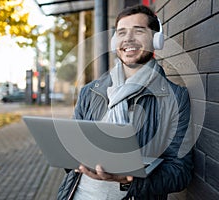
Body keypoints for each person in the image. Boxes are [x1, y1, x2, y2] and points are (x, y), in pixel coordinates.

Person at [57, 4, 193, 200]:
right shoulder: (90, 91)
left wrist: (129, 179)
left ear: (156, 39)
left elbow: (180, 172)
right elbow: (71, 153)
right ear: (115, 42)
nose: (128, 39)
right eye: (122, 33)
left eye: (138, 31)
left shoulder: (176, 98)